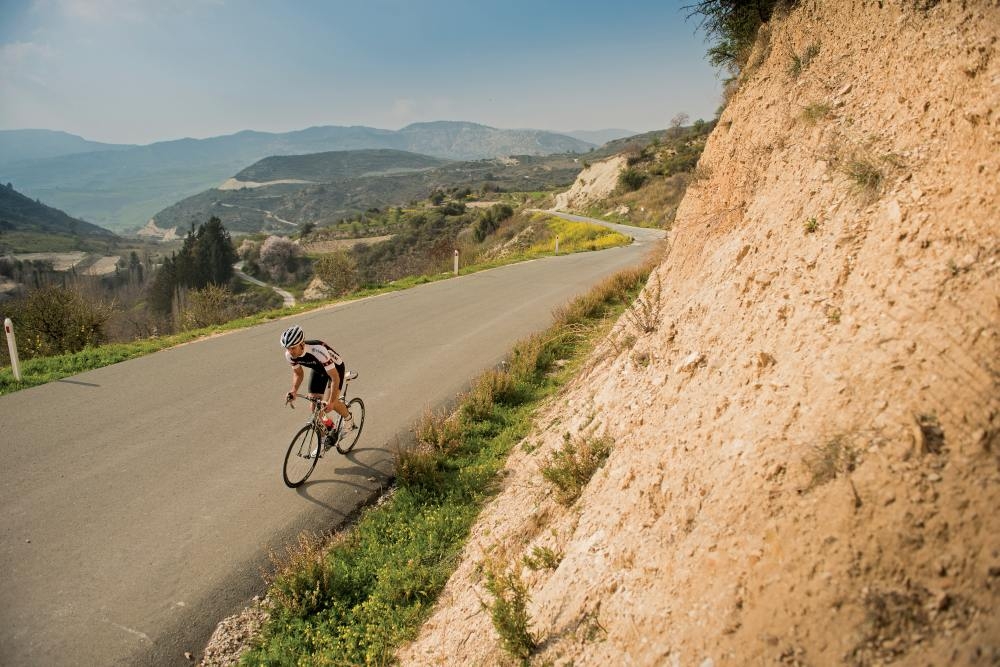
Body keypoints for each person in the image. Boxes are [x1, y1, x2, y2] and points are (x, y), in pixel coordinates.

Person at [280, 324, 355, 449]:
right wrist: (293, 390)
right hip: (319, 370)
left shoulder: (318, 350)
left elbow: (334, 377)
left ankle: (349, 420)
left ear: (302, 344)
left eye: (293, 348)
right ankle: (327, 434)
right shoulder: (289, 355)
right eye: (288, 348)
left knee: (332, 402)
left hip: (335, 370)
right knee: (315, 406)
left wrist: (331, 401)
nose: (290, 351)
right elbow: (298, 373)